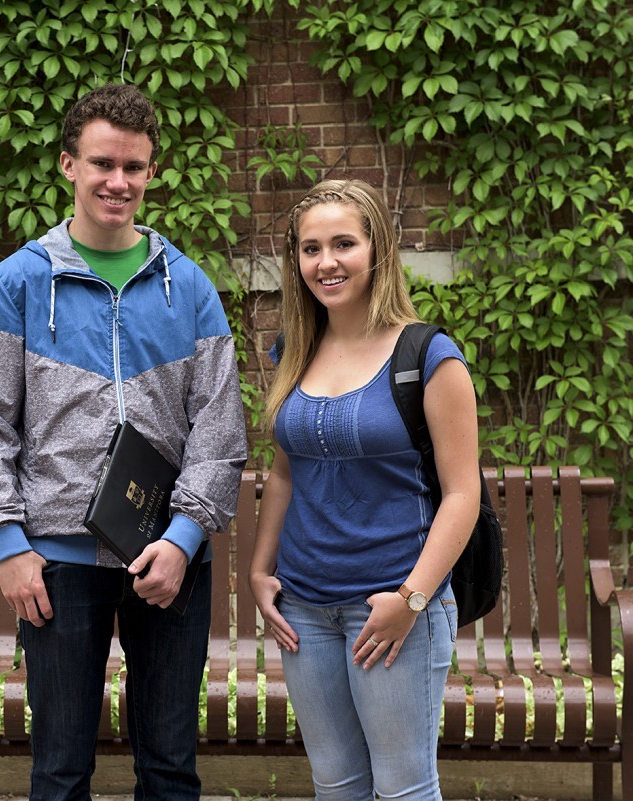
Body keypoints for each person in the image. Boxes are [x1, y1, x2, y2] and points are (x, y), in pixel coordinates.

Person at [0, 83, 248, 801]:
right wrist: (9, 544)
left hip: (169, 559)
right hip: (55, 562)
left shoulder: (192, 287)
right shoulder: (19, 282)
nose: (118, 182)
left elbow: (220, 431)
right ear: (68, 165)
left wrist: (183, 539)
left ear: (153, 172)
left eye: (135, 167)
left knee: (172, 768)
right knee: (59, 772)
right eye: (102, 163)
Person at [249, 179, 480, 801]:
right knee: (337, 785)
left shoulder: (429, 355)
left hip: (392, 607)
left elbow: (463, 494)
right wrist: (260, 569)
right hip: (305, 611)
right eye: (309, 248)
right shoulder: (293, 351)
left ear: (377, 250)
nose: (326, 262)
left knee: (403, 788)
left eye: (344, 244)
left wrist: (411, 598)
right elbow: (284, 472)